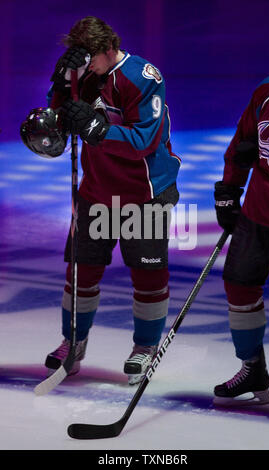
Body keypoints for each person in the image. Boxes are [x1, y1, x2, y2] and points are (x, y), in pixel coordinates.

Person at [37, 16, 180, 385]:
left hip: (143, 194)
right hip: (97, 192)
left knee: (148, 275)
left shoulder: (143, 77)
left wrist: (98, 128)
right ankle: (74, 342)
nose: (85, 64)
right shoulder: (83, 75)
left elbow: (144, 141)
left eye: (88, 57)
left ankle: (145, 347)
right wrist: (59, 84)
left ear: (107, 48)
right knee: (81, 271)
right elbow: (63, 122)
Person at [213, 72, 269, 414]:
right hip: (257, 214)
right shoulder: (268, 92)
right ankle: (253, 370)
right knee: (239, 288)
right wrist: (228, 191)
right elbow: (240, 144)